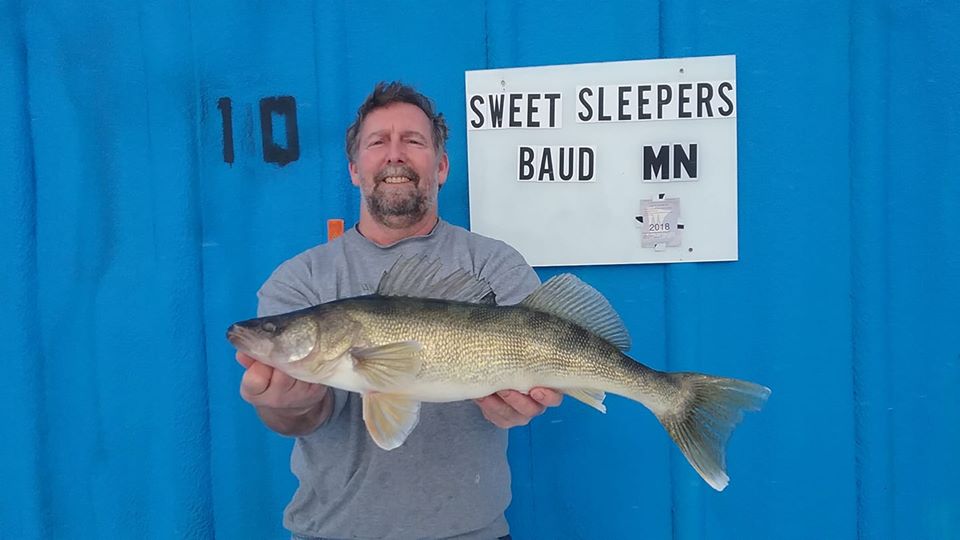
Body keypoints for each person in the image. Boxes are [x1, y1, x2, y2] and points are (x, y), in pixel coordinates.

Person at [236, 81, 563, 540]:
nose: (395, 155)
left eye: (413, 141)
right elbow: (298, 419)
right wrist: (288, 407)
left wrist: (515, 407)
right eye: (377, 142)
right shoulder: (301, 280)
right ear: (354, 169)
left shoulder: (493, 264)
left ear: (442, 165)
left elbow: (539, 373)